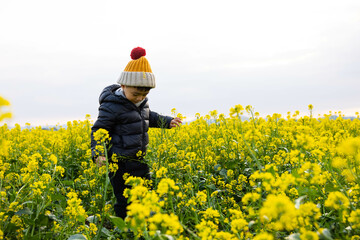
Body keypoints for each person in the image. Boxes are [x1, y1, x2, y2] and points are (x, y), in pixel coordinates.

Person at [91, 47, 182, 219]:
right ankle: (124, 228)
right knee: (124, 198)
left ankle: (146, 224)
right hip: (119, 163)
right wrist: (98, 153)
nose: (140, 97)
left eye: (145, 94)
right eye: (136, 94)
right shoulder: (111, 106)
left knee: (146, 192)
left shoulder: (141, 103)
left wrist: (167, 121)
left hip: (138, 159)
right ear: (123, 85)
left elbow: (149, 117)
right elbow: (99, 129)